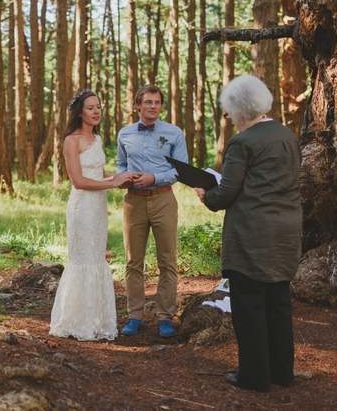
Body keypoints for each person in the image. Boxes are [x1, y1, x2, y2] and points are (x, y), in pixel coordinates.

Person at [194, 74, 301, 392]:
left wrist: (205, 196)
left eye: (231, 110)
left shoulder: (242, 142)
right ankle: (282, 372)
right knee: (278, 303)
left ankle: (254, 376)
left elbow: (226, 192)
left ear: (240, 109)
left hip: (252, 235)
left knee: (249, 305)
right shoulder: (287, 134)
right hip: (286, 232)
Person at [50, 89, 133, 341]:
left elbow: (98, 175)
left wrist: (120, 178)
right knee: (83, 259)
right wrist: (113, 184)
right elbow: (78, 181)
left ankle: (97, 320)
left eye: (98, 107)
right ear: (79, 112)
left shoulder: (96, 138)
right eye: (90, 108)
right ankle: (77, 321)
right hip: (82, 207)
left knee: (97, 258)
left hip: (98, 207)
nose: (96, 111)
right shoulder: (71, 140)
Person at [116, 85, 188, 338]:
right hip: (133, 203)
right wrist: (124, 177)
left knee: (167, 261)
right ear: (138, 105)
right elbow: (121, 164)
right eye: (148, 102)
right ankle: (134, 315)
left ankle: (164, 317)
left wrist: (154, 177)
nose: (153, 107)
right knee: (133, 262)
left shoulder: (174, 133)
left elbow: (181, 170)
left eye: (157, 102)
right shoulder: (124, 134)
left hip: (163, 200)